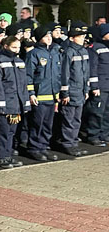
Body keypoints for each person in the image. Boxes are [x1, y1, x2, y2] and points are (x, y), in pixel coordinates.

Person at [24, 26, 62, 162]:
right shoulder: (34, 54)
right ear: (39, 38)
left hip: (51, 96)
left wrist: (57, 94)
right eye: (46, 36)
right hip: (39, 96)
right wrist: (31, 93)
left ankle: (44, 147)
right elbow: (28, 75)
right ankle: (34, 148)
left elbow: (58, 75)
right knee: (37, 123)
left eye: (50, 36)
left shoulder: (55, 53)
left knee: (47, 124)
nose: (49, 38)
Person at [0, 36, 29, 169]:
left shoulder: (19, 61)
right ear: (5, 46)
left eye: (18, 47)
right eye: (14, 47)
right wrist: (0, 104)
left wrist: (25, 102)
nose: (17, 50)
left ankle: (8, 156)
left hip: (17, 102)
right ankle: (0, 157)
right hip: (6, 102)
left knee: (12, 131)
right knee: (3, 131)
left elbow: (24, 83)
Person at [57, 22, 90, 156]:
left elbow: (86, 73)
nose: (83, 38)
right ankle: (68, 144)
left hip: (81, 91)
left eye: (83, 36)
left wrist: (86, 89)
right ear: (72, 38)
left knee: (77, 119)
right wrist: (65, 93)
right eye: (79, 36)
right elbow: (64, 74)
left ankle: (74, 143)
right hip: (71, 92)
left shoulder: (84, 51)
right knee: (69, 119)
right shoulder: (69, 52)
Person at [85, 23, 109, 147]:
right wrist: (94, 86)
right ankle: (93, 135)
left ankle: (104, 135)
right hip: (101, 86)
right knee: (97, 111)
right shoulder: (96, 48)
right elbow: (92, 68)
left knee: (107, 112)